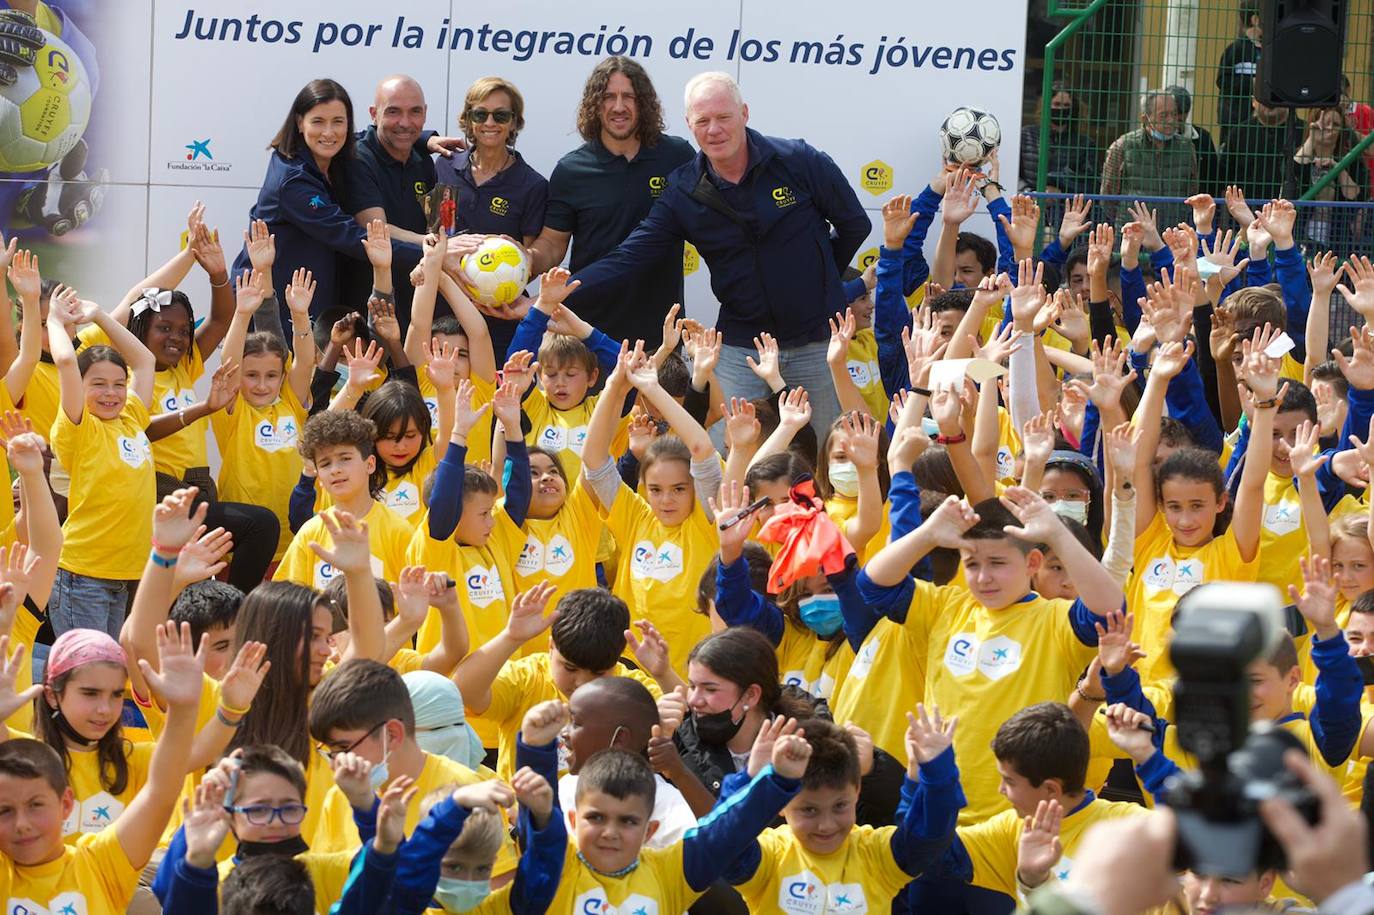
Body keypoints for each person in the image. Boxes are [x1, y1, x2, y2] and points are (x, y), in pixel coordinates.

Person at [566, 71, 870, 437]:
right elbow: (630, 256)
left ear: (744, 113)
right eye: (703, 121)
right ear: (689, 126)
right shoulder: (684, 190)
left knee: (821, 455)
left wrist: (820, 280)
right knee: (727, 458)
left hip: (816, 343)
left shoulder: (800, 161)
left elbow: (855, 224)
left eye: (723, 117)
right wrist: (557, 297)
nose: (714, 130)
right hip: (740, 350)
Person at [531, 56, 697, 348]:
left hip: (660, 334)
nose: (619, 107)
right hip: (587, 332)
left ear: (643, 103)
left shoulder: (677, 156)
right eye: (609, 97)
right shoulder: (572, 170)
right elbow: (553, 244)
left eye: (628, 97)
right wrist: (522, 262)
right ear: (595, 104)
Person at [230, 79, 418, 329]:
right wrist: (429, 256)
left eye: (338, 122)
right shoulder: (293, 180)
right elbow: (349, 235)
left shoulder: (336, 158)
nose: (329, 132)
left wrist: (424, 140)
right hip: (271, 307)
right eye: (318, 121)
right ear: (299, 123)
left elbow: (371, 137)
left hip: (307, 302)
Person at [45, 285, 157, 638]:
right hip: (82, 577)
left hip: (120, 577)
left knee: (105, 675)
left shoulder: (131, 417)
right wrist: (53, 318)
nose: (111, 393)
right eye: (98, 384)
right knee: (84, 677)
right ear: (79, 387)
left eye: (119, 384)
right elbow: (65, 361)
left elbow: (145, 361)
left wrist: (98, 315)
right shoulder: (80, 427)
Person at [434, 76, 548, 360]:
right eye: (480, 114)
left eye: (501, 115)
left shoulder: (531, 184)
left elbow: (528, 262)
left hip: (495, 319)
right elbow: (435, 232)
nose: (490, 122)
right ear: (468, 119)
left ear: (514, 122)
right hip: (442, 314)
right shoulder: (445, 166)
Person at [343, 74, 459, 327]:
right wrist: (433, 245)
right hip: (368, 304)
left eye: (415, 112)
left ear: (425, 113)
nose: (405, 122)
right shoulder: (357, 158)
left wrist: (449, 238)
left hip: (417, 298)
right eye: (393, 112)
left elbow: (439, 222)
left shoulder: (424, 158)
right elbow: (376, 229)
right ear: (374, 114)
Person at [1100, 90, 1198, 228]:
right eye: (1163, 115)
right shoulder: (1123, 146)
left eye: (1174, 114)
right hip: (1133, 233)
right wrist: (1126, 221)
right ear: (1145, 119)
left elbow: (1192, 190)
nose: (1171, 120)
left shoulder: (1186, 148)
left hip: (1172, 234)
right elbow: (1108, 196)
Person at [1287, 106, 1369, 252]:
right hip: (1299, 237)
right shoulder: (1300, 154)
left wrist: (1338, 168)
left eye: (1336, 125)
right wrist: (1312, 137)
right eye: (1325, 123)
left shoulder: (1351, 161)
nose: (1329, 128)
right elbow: (1293, 172)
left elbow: (1356, 198)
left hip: (1338, 242)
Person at [1017, 82, 1100, 198]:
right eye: (1056, 104)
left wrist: (1060, 192)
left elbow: (1091, 185)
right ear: (1045, 106)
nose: (1061, 109)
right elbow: (1015, 174)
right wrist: (1032, 193)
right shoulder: (1026, 135)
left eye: (1066, 105)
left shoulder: (1084, 144)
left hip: (1066, 209)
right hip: (1028, 204)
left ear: (1073, 108)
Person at [1221, 94, 1301, 203]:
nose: (1269, 101)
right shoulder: (1239, 133)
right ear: (1254, 101)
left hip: (1292, 211)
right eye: (1264, 95)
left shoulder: (1303, 131)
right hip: (1246, 211)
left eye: (1276, 95)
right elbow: (1224, 178)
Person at [1216, 2, 1264, 145]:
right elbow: (1222, 81)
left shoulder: (1270, 50)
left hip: (1262, 123)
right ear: (1255, 20)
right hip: (1235, 119)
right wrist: (1252, 83)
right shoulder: (1235, 50)